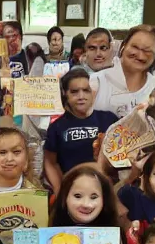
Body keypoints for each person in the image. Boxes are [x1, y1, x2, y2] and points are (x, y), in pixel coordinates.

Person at [43, 67, 118, 195]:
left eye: (86, 90)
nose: (81, 96)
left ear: (93, 92)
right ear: (65, 94)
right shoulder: (57, 127)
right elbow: (50, 162)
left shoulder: (109, 119)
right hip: (73, 191)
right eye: (74, 92)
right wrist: (59, 190)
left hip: (106, 190)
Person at [91, 25, 155, 118]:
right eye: (135, 47)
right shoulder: (97, 81)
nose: (140, 55)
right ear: (124, 45)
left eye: (147, 51)